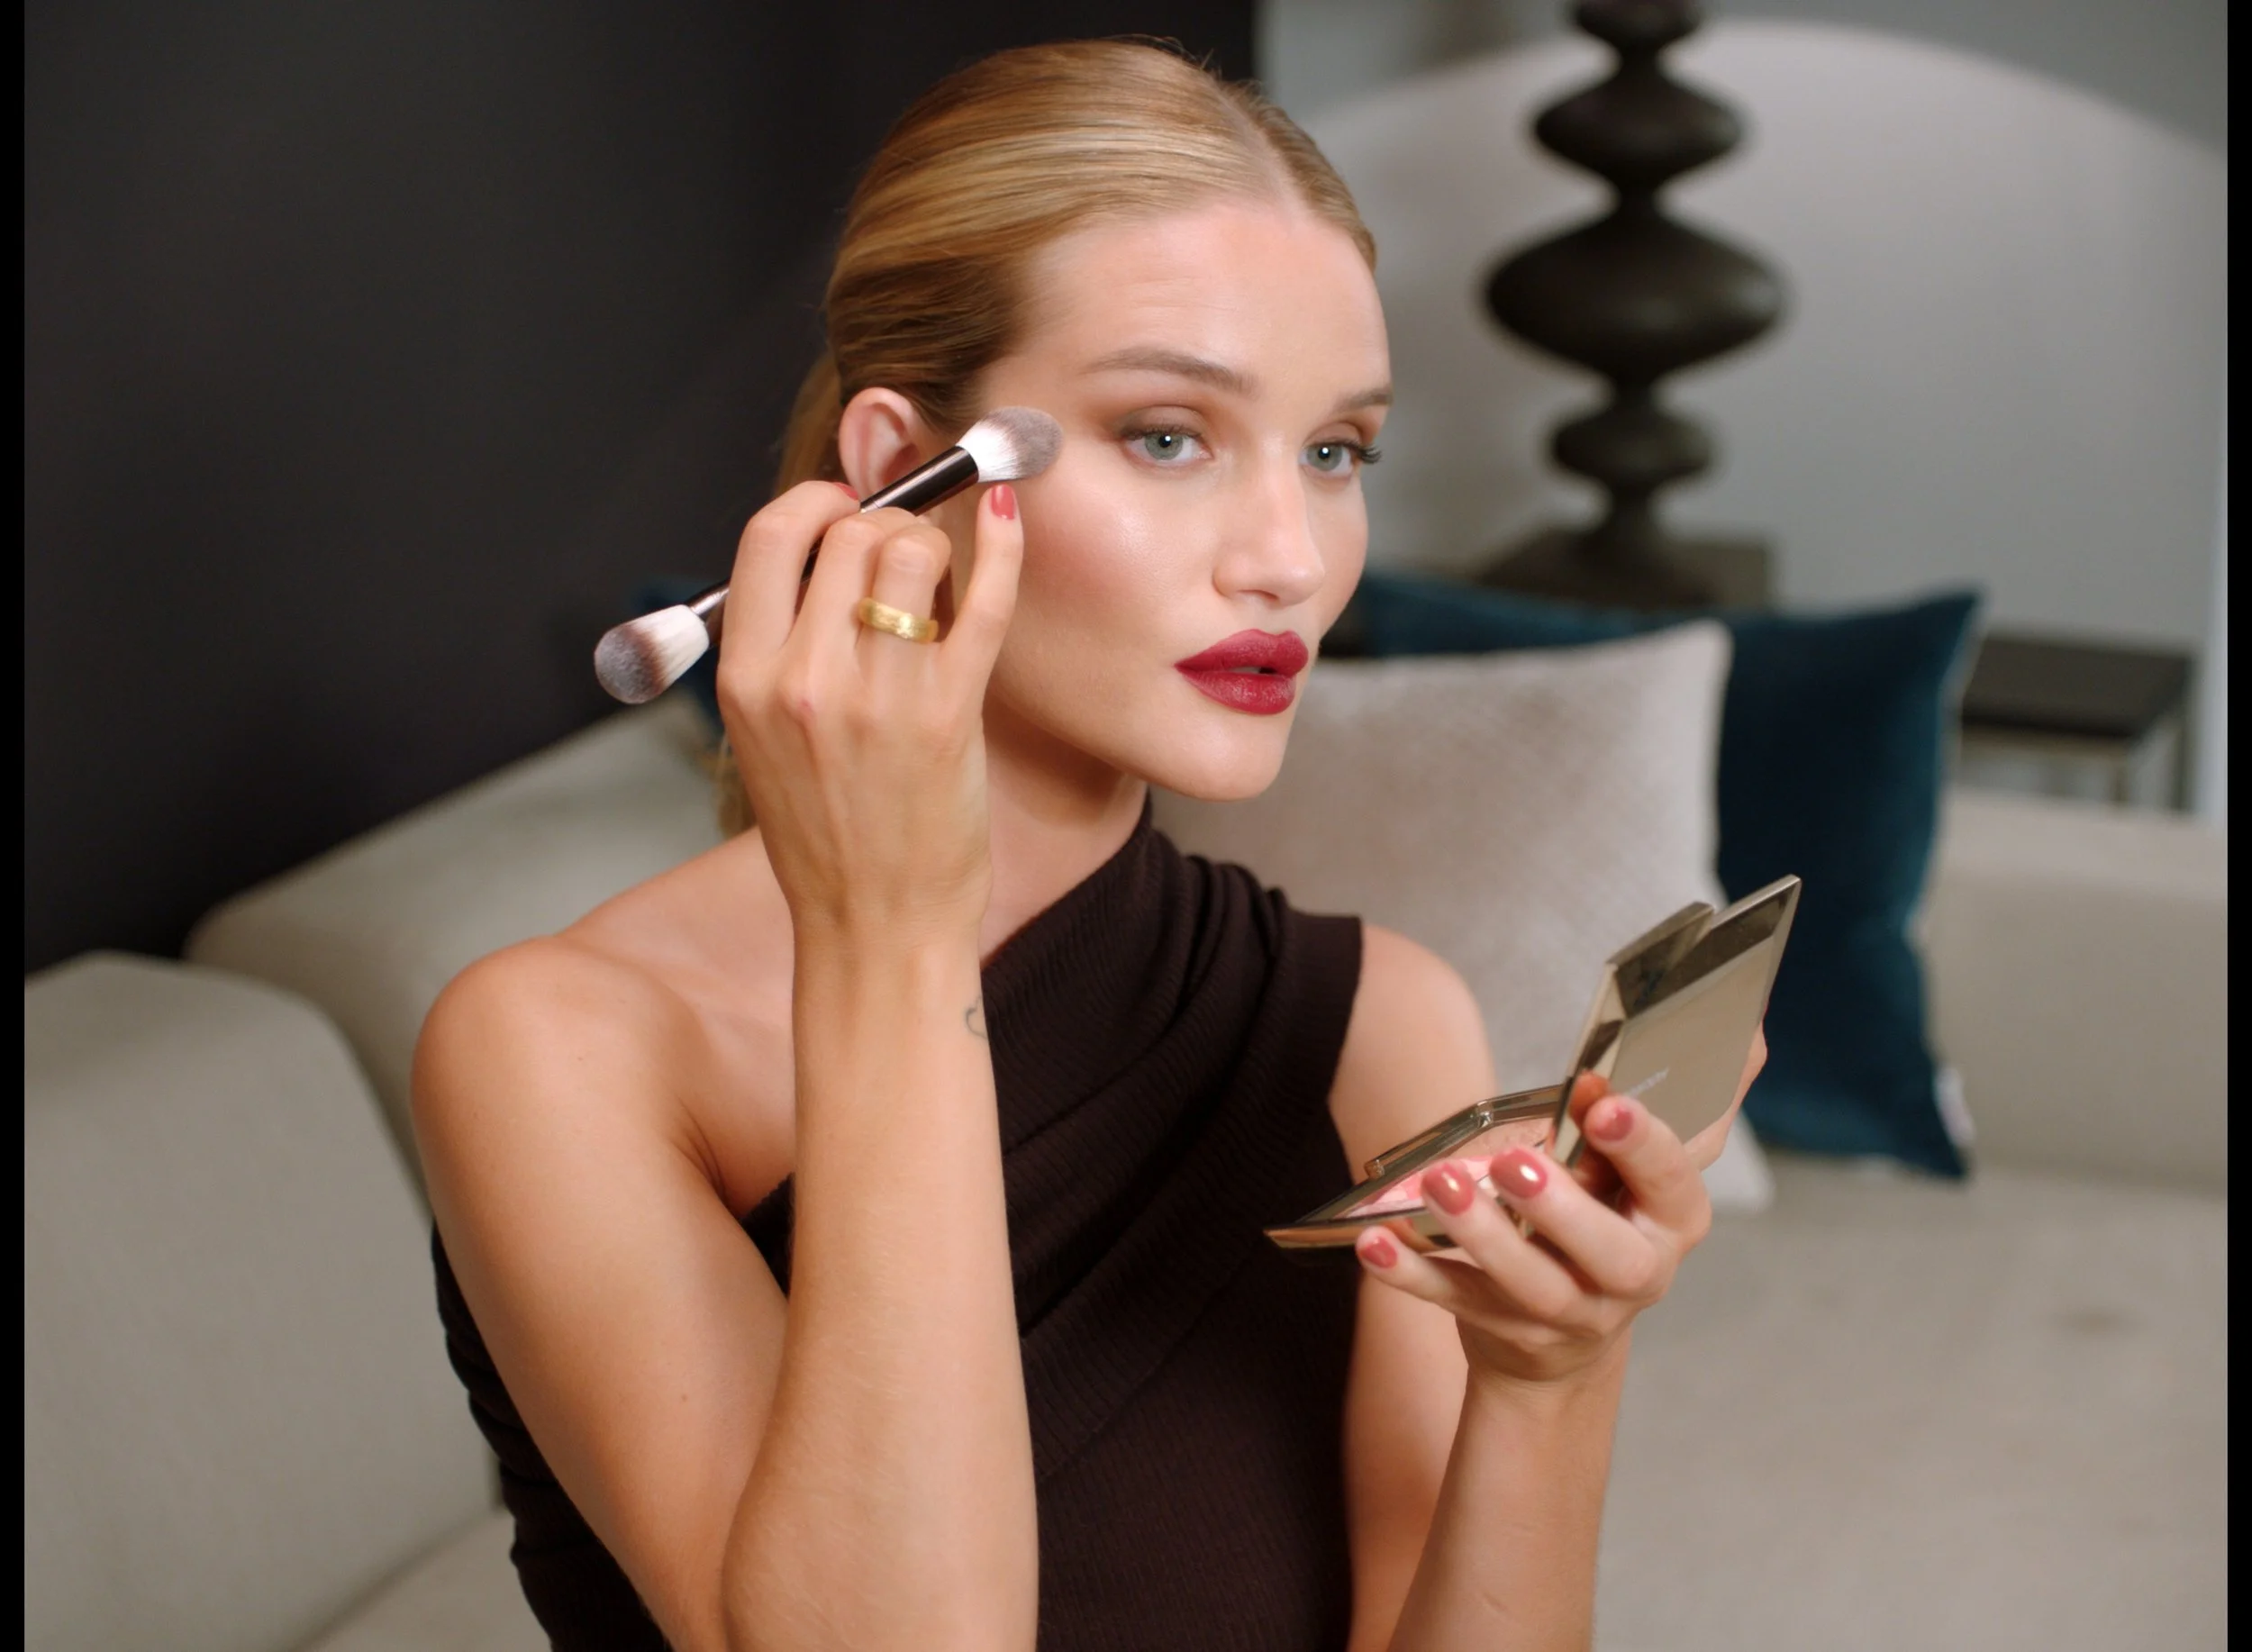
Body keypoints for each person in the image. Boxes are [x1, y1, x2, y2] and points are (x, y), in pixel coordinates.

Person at [413, 38, 1759, 1652]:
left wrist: (1551, 1379)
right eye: (1170, 435)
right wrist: (892, 936)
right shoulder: (561, 1052)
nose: (1291, 558)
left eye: (1336, 451)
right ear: (898, 473)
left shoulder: (1375, 1025)